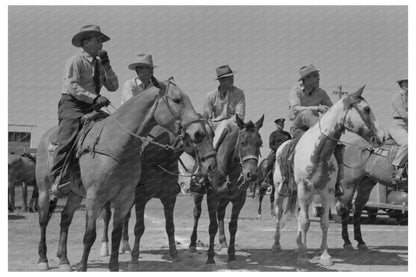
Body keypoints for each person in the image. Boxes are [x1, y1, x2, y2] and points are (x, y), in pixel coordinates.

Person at [50, 25, 118, 198]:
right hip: (72, 104)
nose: (101, 44)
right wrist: (95, 98)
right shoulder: (75, 61)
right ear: (86, 42)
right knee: (68, 136)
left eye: (101, 40)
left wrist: (107, 66)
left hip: (92, 106)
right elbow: (72, 86)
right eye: (98, 40)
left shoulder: (100, 65)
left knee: (112, 132)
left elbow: (113, 86)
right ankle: (57, 178)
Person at [288, 63, 343, 196]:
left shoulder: (321, 92)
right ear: (306, 79)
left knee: (337, 147)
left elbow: (332, 109)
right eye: (315, 76)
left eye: (318, 76)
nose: (318, 78)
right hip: (299, 126)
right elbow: (295, 109)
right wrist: (317, 108)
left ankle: (337, 182)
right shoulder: (295, 90)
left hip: (315, 127)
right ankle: (288, 175)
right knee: (305, 113)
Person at [203, 65, 245, 129]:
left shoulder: (239, 93)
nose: (232, 79)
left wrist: (225, 123)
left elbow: (240, 116)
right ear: (221, 80)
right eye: (229, 77)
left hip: (233, 125)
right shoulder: (210, 95)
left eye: (232, 76)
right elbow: (206, 117)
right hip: (215, 125)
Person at [390, 78, 408, 183]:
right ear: (401, 85)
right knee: (408, 143)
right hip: (398, 126)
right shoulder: (397, 97)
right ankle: (396, 168)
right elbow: (404, 114)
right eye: (406, 83)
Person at [263, 118, 292, 186]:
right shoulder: (273, 134)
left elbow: (291, 142)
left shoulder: (287, 134)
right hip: (276, 152)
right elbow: (271, 145)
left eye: (282, 124)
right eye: (280, 124)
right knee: (270, 162)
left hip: (287, 152)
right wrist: (279, 149)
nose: (281, 125)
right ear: (276, 125)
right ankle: (266, 180)